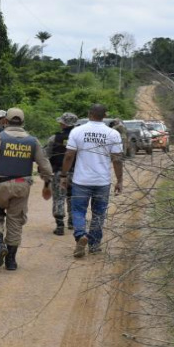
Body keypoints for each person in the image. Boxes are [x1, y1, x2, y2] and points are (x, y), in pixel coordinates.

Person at [0, 108, 53, 271]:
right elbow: (45, 167)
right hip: (22, 186)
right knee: (15, 221)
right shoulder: (33, 141)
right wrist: (47, 183)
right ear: (23, 122)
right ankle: (11, 261)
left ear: (5, 121)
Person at [60, 104, 124, 258]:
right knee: (99, 213)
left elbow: (69, 156)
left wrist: (63, 175)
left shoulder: (78, 131)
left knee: (78, 210)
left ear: (89, 114)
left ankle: (81, 235)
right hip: (102, 181)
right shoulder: (113, 133)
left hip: (81, 180)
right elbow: (117, 160)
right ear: (104, 115)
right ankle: (94, 245)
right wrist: (120, 180)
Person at [45, 112, 78, 235]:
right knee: (73, 197)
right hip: (77, 173)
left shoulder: (54, 138)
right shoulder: (79, 137)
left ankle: (59, 226)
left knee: (59, 198)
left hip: (60, 172)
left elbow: (47, 155)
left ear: (63, 124)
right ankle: (72, 223)